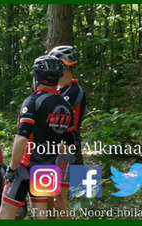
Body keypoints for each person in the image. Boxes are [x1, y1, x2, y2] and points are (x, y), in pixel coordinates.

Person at [0, 56, 74, 220]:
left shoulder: (32, 101)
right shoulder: (67, 107)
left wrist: (11, 169)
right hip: (48, 168)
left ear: (37, 77)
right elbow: (68, 144)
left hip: (25, 167)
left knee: (5, 213)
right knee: (40, 216)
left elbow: (22, 137)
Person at [48, 45, 86, 219]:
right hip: (51, 147)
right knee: (46, 195)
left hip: (65, 148)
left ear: (63, 65)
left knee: (60, 199)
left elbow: (54, 117)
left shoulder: (73, 91)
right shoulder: (60, 90)